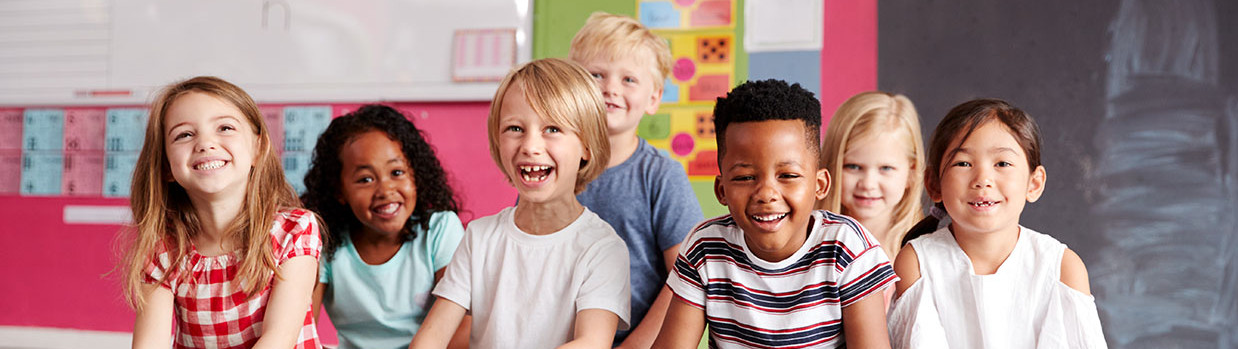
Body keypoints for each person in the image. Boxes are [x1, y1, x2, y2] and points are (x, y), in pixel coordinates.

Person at [654, 79, 897, 349]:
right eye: (745, 177)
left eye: (788, 175)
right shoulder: (706, 248)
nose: (766, 193)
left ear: (819, 185)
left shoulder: (847, 248)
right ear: (721, 190)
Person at [410, 58, 631, 348]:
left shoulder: (603, 248)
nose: (530, 146)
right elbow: (430, 340)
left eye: (552, 129)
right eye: (515, 128)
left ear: (587, 146)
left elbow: (592, 343)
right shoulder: (480, 237)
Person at [887, 99, 1106, 348]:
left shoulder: (1061, 268)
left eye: (1002, 163)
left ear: (1034, 183)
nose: (983, 179)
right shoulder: (916, 263)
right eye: (963, 163)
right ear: (934, 184)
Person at [122, 76, 322, 349]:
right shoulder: (162, 252)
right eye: (184, 134)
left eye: (225, 128)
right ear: (166, 167)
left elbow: (279, 339)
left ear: (258, 149)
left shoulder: (294, 230)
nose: (205, 143)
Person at [569, 12, 704, 347]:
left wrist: (637, 345)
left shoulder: (661, 175)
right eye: (596, 74)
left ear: (654, 98)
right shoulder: (554, 169)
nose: (610, 88)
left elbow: (687, 278)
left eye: (629, 79)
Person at [301, 104, 468, 349]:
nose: (386, 190)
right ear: (339, 191)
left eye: (397, 172)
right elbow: (302, 327)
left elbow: (463, 324)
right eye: (365, 179)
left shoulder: (439, 229)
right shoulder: (326, 241)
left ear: (416, 175)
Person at [817, 91, 925, 261]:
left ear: (912, 173)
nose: (868, 184)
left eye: (886, 168)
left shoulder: (925, 254)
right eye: (853, 166)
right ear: (830, 167)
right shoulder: (806, 247)